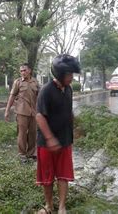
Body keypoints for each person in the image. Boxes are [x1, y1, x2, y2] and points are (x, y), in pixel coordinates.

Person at [35, 54, 80, 214]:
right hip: (47, 144)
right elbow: (39, 116)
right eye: (69, 75)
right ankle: (49, 205)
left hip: (65, 140)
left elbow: (68, 111)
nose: (71, 78)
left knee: (63, 175)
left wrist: (75, 128)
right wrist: (50, 138)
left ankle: (62, 206)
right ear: (60, 75)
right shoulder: (46, 91)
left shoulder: (68, 90)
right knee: (47, 177)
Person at [4, 63, 40, 162]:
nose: (23, 72)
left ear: (30, 71)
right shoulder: (18, 82)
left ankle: (31, 153)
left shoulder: (35, 82)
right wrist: (7, 111)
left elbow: (39, 97)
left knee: (33, 133)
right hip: (21, 111)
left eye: (24, 70)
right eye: (21, 71)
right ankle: (22, 154)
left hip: (33, 112)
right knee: (22, 133)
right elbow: (11, 97)